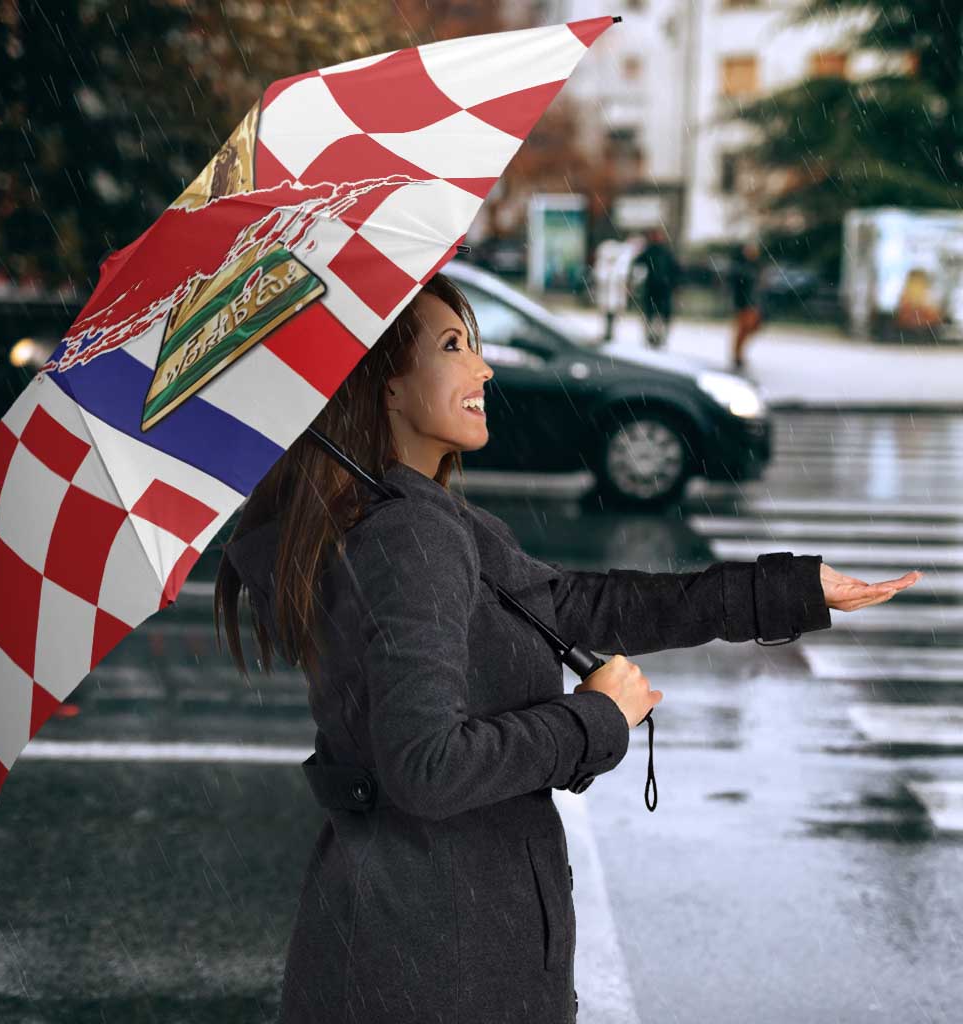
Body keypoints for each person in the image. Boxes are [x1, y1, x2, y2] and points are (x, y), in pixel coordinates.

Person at [214, 271, 921, 1024]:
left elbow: (582, 605)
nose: (483, 368)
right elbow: (426, 767)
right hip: (435, 962)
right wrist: (594, 719)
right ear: (385, 387)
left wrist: (788, 590)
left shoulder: (419, 520)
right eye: (453, 346)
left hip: (418, 943)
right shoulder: (408, 536)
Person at [631, 226, 681, 349]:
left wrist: (674, 284)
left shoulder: (664, 252)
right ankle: (652, 337)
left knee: (659, 315)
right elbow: (637, 264)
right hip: (654, 288)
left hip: (662, 288)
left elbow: (675, 270)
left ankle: (658, 337)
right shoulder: (651, 251)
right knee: (652, 314)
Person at [729, 239, 765, 370]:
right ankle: (737, 355)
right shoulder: (741, 267)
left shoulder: (756, 266)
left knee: (751, 328)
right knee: (743, 329)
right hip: (744, 303)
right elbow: (738, 286)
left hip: (753, 303)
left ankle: (738, 354)